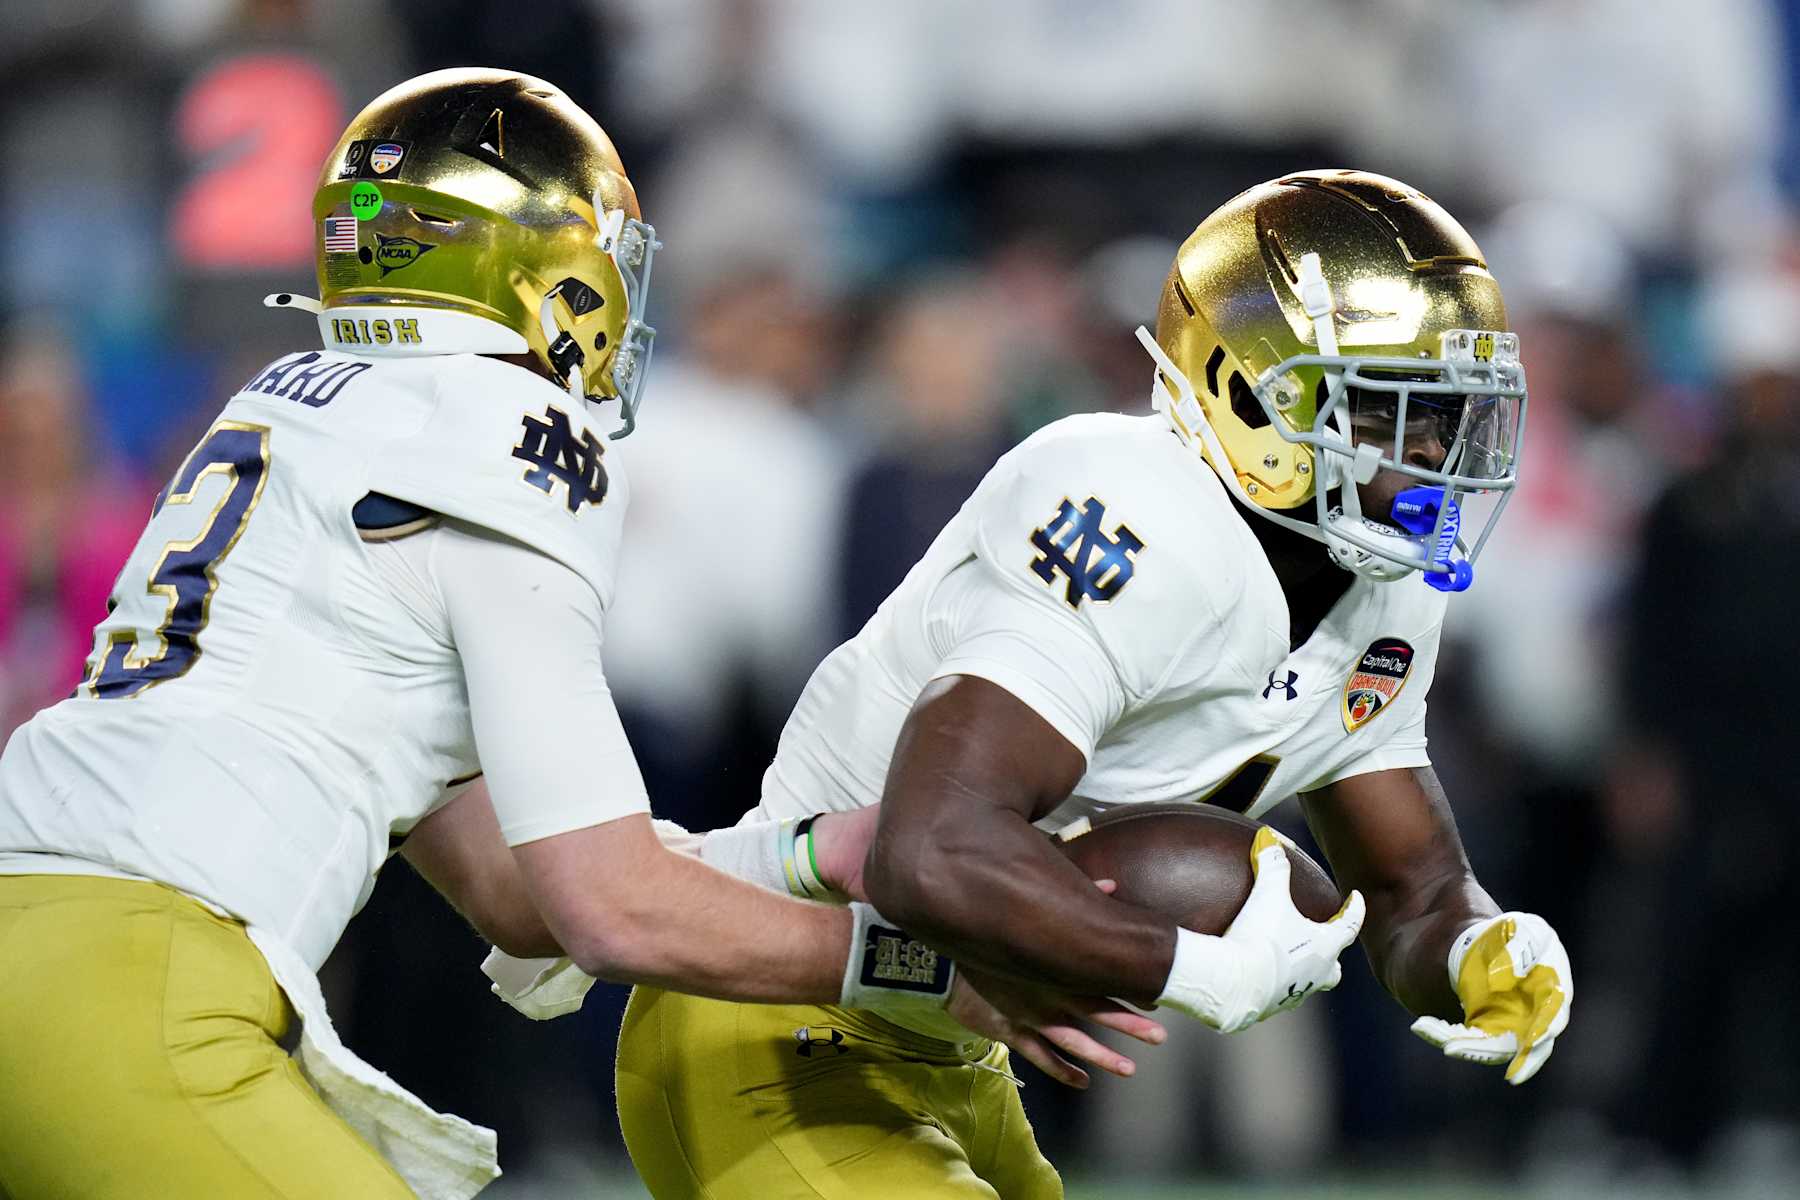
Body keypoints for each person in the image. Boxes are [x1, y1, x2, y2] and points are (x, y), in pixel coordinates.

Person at [0, 69, 1151, 1200]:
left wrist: (812, 853)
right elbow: (614, 910)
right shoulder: (509, 428)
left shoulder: (292, 401)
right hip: (135, 986)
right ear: (542, 270)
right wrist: (928, 977)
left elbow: (515, 885)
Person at [589, 171, 1574, 1198]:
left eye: (1453, 414)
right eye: (1392, 412)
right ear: (1251, 394)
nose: (1437, 457)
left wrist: (1480, 947)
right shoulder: (1135, 506)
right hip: (780, 1016)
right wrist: (1178, 966)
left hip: (955, 1044)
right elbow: (930, 850)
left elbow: (1413, 889)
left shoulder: (1383, 588)